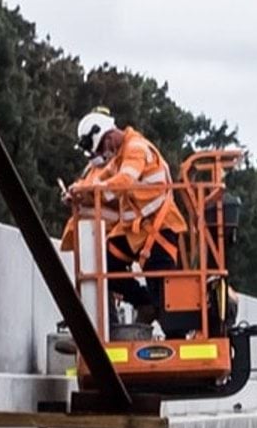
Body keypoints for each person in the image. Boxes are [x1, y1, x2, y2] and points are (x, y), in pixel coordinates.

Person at [60, 108, 190, 333]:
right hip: (135, 233)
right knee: (105, 266)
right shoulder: (119, 156)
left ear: (109, 137)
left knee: (166, 296)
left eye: (101, 147)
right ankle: (145, 303)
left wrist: (94, 188)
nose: (102, 153)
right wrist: (80, 190)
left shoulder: (135, 148)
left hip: (159, 232)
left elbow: (124, 180)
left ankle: (174, 338)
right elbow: (102, 176)